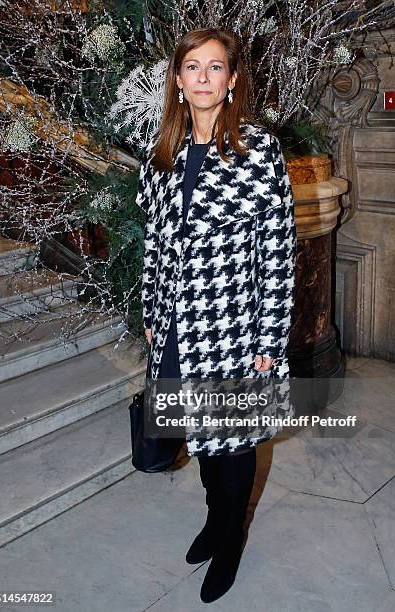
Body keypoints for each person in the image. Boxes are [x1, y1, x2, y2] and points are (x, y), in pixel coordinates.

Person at [135, 27, 296, 604]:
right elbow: (155, 246)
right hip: (177, 327)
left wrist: (270, 338)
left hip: (235, 328)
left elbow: (276, 252)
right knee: (201, 440)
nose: (204, 77)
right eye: (193, 67)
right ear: (177, 80)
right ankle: (212, 521)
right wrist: (153, 315)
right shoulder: (160, 157)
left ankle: (231, 539)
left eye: (216, 67)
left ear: (231, 80)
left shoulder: (257, 149)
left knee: (232, 445)